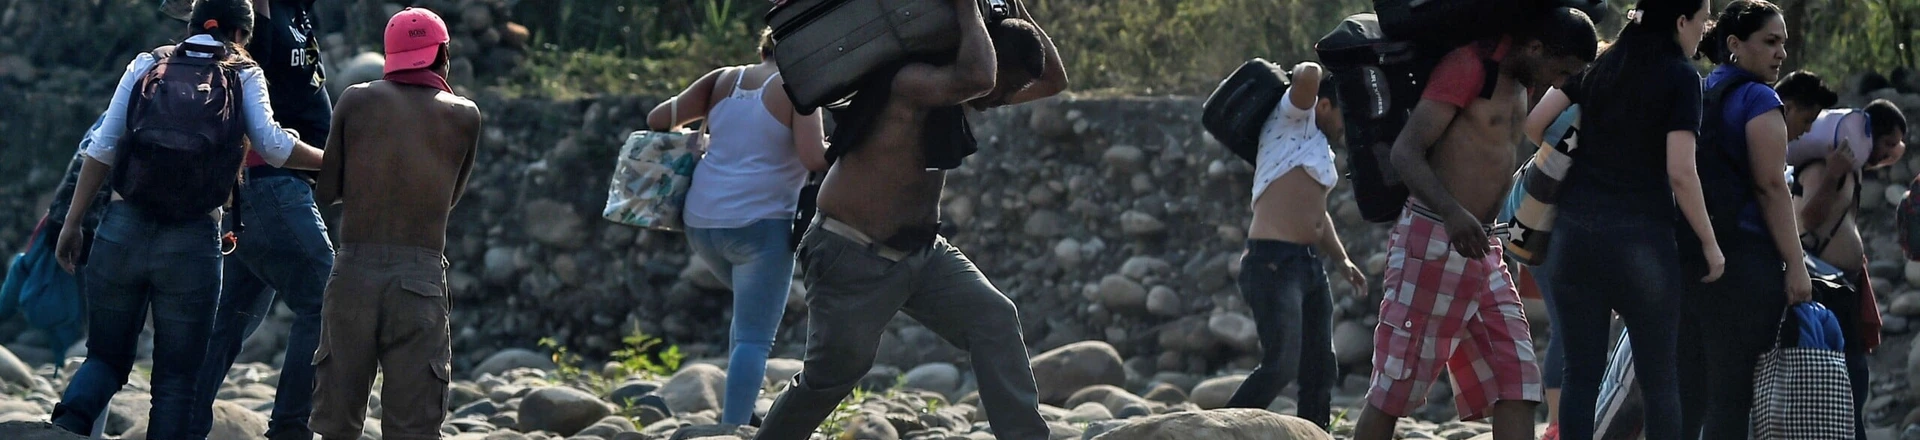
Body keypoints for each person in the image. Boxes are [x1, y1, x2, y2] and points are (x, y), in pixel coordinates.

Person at [752, 0, 1066, 438]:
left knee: (993, 318)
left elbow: (1053, 80)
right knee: (831, 377)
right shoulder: (911, 82)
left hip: (922, 253)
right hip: (852, 251)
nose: (1000, 99)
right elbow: (981, 77)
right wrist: (965, 7)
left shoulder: (960, 89)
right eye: (1006, 85)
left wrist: (1016, 9)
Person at [48, 0, 327, 436]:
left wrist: (71, 223)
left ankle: (65, 427)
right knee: (176, 382)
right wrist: (330, 161)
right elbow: (273, 148)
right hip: (192, 244)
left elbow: (101, 147)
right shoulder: (243, 73)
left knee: (104, 357)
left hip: (121, 229)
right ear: (240, 35)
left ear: (191, 24)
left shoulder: (147, 63)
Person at [1352, 8, 1597, 440]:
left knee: (1517, 380)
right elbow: (1406, 152)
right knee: (1394, 386)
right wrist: (1451, 212)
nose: (1559, 83)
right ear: (1536, 47)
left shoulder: (1523, 80)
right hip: (1432, 239)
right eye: (1560, 70)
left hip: (1483, 248)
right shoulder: (1468, 67)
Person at [1525, 1, 1719, 438]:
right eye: (1704, 16)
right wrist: (1710, 244)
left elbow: (1535, 122)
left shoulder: (1601, 64)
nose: (1706, 27)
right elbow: (1681, 172)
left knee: (1581, 373)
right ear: (1680, 20)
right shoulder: (1682, 77)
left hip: (1574, 237)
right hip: (1641, 242)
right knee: (1659, 380)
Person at [307, 8, 480, 440]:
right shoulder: (465, 115)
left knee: (337, 423)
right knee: (414, 428)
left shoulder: (356, 98)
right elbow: (449, 200)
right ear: (442, 55)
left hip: (354, 274)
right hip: (419, 279)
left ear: (391, 56)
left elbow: (326, 190)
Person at [645, 28, 829, 427]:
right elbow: (814, 158)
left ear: (764, 48)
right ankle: (733, 428)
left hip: (699, 221)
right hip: (759, 225)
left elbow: (658, 119)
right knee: (753, 335)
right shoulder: (800, 89)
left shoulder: (722, 78)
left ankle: (740, 409)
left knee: (747, 321)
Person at [189, 0, 336, 438]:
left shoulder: (302, 11)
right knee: (330, 302)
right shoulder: (262, 8)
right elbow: (247, 58)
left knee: (228, 319)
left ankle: (181, 422)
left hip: (266, 190)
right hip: (271, 182)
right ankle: (291, 429)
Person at [1677, 1, 1813, 438]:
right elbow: (1771, 187)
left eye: (1784, 44)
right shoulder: (1759, 99)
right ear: (1735, 44)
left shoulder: (1698, 91)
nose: (1781, 54)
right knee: (1731, 397)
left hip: (1689, 259)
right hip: (1745, 265)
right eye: (1771, 42)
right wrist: (1795, 264)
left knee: (1689, 394)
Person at [1219, 61, 1365, 430]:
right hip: (1273, 263)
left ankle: (1315, 433)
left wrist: (1342, 259)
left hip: (1309, 265)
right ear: (1325, 106)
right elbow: (1308, 77)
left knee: (1320, 367)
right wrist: (1315, 61)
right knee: (1281, 364)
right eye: (1346, 111)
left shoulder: (1320, 148)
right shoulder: (1292, 119)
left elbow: (1317, 212)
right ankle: (1216, 432)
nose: (1352, 122)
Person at [1783, 74, 1905, 439]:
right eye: (1885, 143)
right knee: (1844, 381)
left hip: (1842, 286)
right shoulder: (1823, 166)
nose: (1886, 154)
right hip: (1824, 287)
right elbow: (1809, 218)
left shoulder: (1851, 170)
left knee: (1855, 381)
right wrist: (1834, 173)